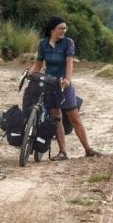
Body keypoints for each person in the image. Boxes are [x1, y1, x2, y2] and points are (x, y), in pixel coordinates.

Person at [28, 16, 99, 160]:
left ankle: (88, 149)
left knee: (74, 117)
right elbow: (39, 64)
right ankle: (62, 152)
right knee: (56, 118)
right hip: (50, 83)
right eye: (60, 28)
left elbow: (69, 62)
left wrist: (67, 79)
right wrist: (30, 73)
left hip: (63, 83)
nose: (63, 31)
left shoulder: (68, 43)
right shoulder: (43, 44)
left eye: (65, 28)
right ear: (52, 29)